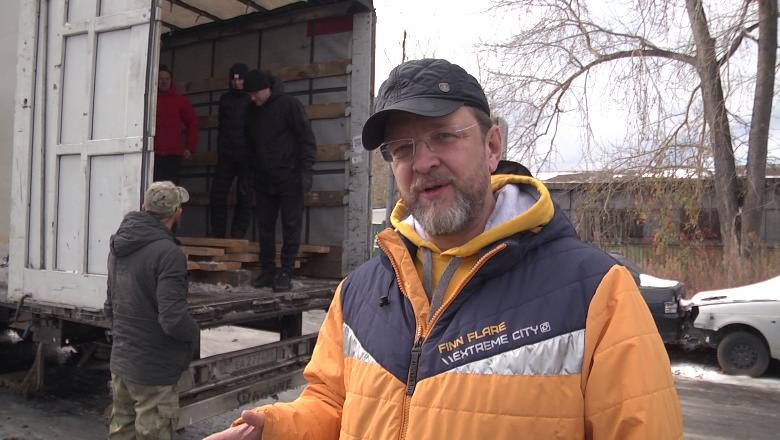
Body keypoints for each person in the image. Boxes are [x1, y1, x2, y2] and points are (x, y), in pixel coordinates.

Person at [206, 59, 683, 439]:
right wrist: (278, 429)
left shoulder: (595, 294)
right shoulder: (357, 294)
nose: (423, 162)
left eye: (444, 136)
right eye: (402, 148)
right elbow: (333, 405)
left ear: (492, 146)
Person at [105, 181, 200, 439]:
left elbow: (110, 306)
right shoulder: (169, 253)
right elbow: (173, 318)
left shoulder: (118, 247)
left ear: (144, 206)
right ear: (177, 212)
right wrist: (193, 335)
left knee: (121, 431)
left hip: (122, 361)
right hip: (154, 370)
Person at [243, 69, 316, 292]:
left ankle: (285, 272)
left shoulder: (289, 105)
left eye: (255, 93)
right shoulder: (251, 111)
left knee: (291, 225)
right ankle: (267, 270)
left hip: (290, 177)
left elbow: (306, 139)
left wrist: (305, 172)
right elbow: (249, 146)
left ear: (266, 88)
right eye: (249, 94)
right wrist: (250, 176)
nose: (252, 98)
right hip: (264, 179)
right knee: (264, 226)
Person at [210, 63, 253, 238]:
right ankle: (218, 234)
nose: (237, 83)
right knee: (217, 195)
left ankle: (237, 235)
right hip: (226, 155)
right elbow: (221, 126)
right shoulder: (225, 99)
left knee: (245, 196)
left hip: (246, 156)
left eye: (240, 79)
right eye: (234, 80)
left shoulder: (251, 98)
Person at [154, 65, 199, 184]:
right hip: (153, 153)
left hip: (173, 154)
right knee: (154, 189)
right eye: (160, 79)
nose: (164, 82)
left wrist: (190, 147)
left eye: (167, 79)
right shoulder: (150, 100)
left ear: (171, 80)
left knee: (172, 189)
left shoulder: (180, 100)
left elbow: (192, 122)